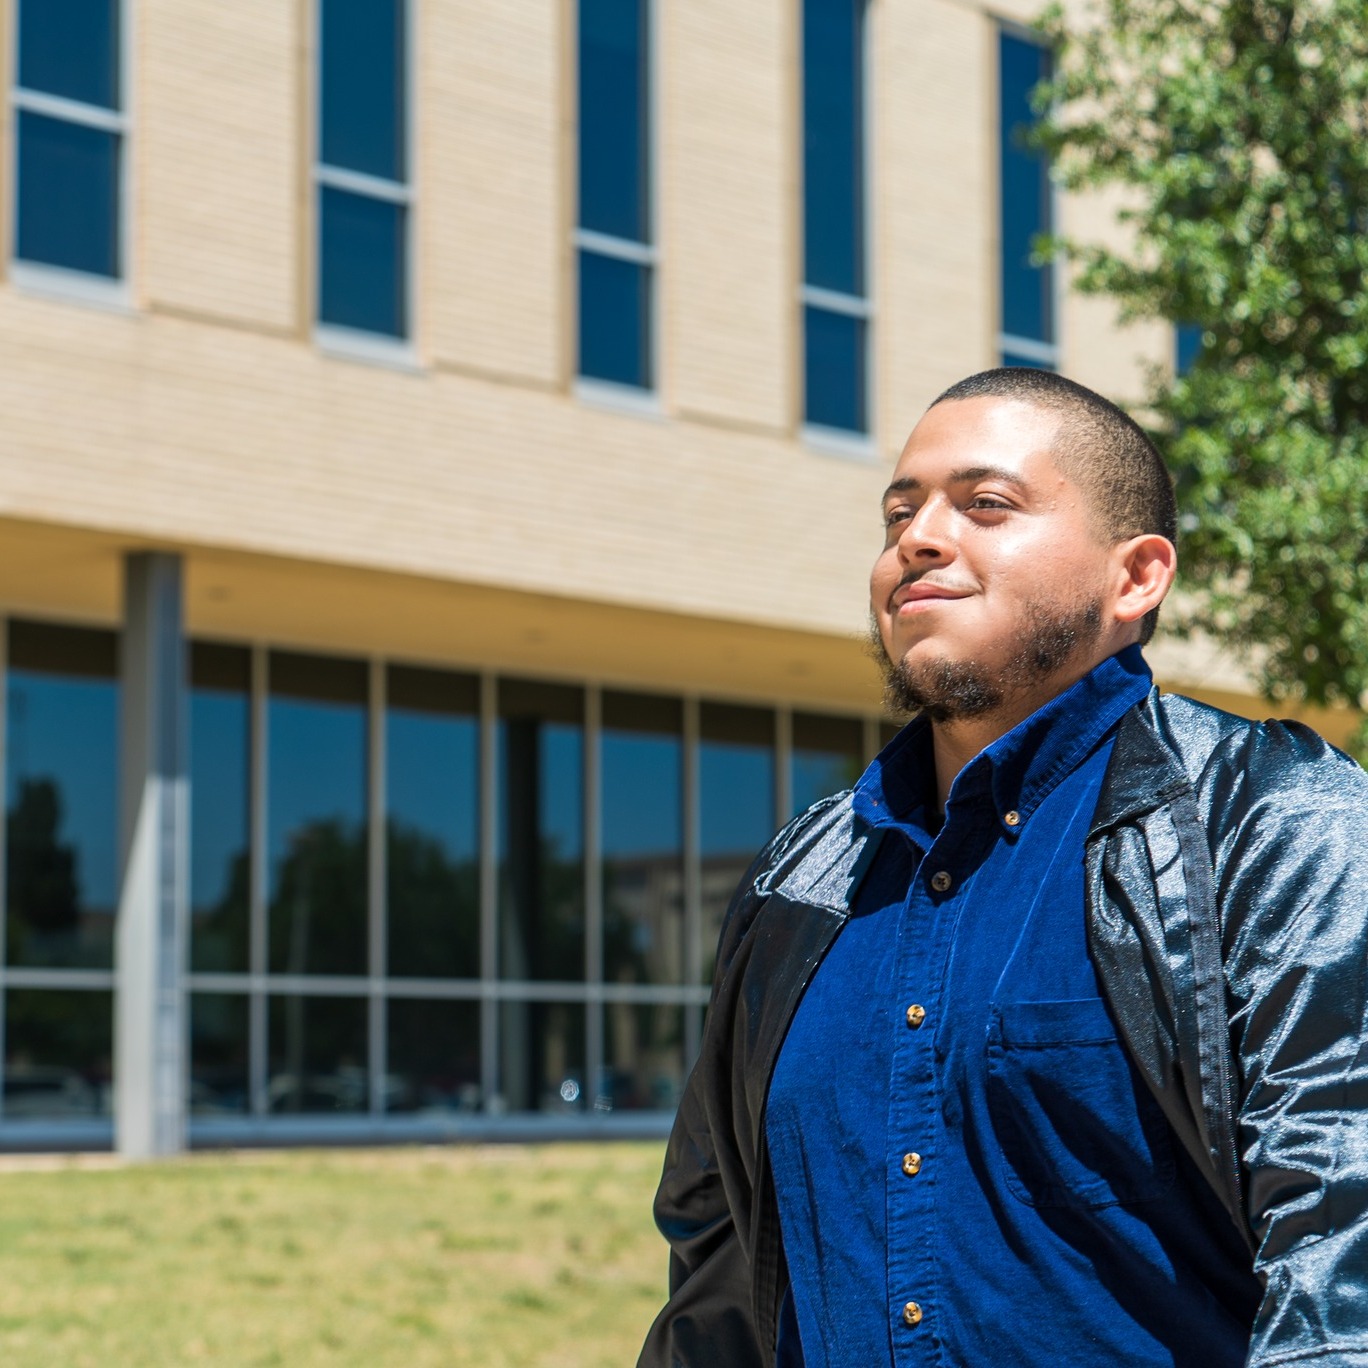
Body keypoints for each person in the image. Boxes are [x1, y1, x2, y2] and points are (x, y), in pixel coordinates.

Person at [637, 368, 1368, 1368]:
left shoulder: (1271, 822)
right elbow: (718, 1253)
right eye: (900, 512)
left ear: (1137, 576)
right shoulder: (798, 880)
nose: (917, 539)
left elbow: (1345, 1238)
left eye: (986, 504)